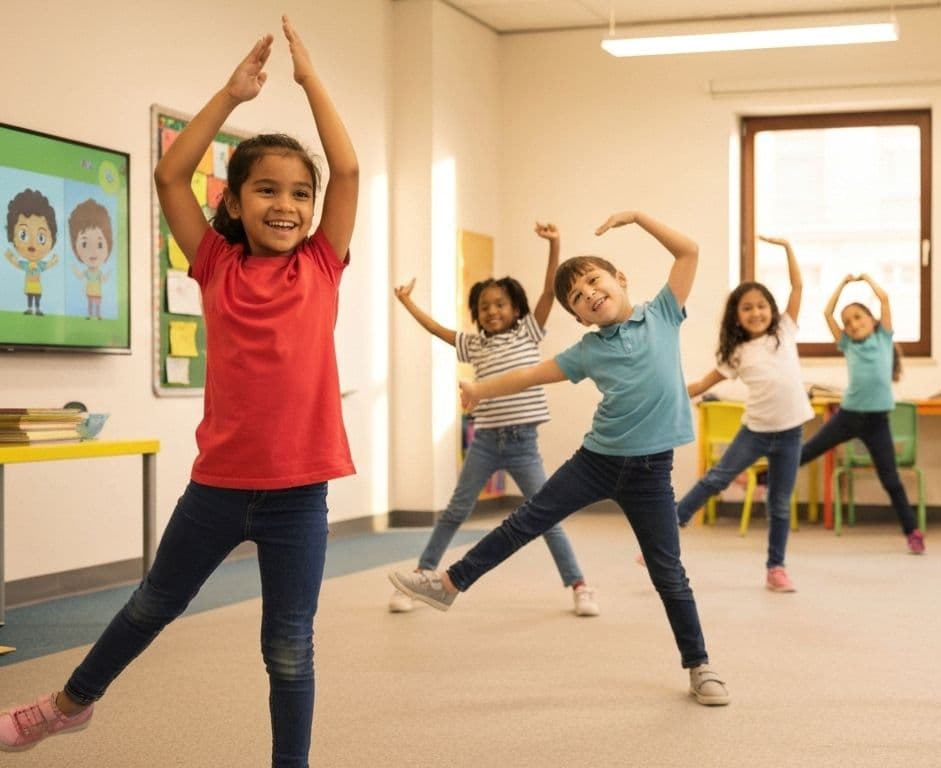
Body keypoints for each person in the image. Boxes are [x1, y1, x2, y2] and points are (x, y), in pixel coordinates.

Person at [0, 18, 357, 766]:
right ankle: (63, 709)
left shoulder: (321, 265)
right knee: (152, 605)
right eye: (266, 190)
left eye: (299, 193)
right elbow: (169, 177)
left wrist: (311, 82)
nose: (285, 205)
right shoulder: (216, 265)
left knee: (289, 647)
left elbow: (348, 172)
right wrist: (230, 96)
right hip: (219, 486)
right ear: (233, 203)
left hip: (299, 495)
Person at [389, 210, 730, 706]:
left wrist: (637, 218)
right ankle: (447, 583)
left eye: (594, 280)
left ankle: (700, 666)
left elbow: (689, 251)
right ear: (579, 318)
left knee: (668, 573)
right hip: (596, 460)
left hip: (651, 471)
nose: (589, 293)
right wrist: (479, 390)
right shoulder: (587, 351)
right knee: (526, 521)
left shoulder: (662, 312)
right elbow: (529, 375)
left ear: (620, 280)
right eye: (577, 297)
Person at [387, 222, 598, 617]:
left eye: (500, 304)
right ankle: (422, 577)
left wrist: (556, 243)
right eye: (484, 307)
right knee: (454, 510)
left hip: (523, 445)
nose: (492, 311)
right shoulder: (473, 343)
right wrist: (407, 303)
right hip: (485, 442)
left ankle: (580, 585)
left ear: (515, 309)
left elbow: (549, 289)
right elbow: (437, 329)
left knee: (546, 514)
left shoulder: (528, 333)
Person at [676, 235, 813, 592]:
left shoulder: (785, 330)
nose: (756, 313)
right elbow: (705, 383)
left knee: (780, 504)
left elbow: (798, 286)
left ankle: (776, 569)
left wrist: (786, 248)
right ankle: (672, 525)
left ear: (772, 309)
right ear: (737, 317)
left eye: (761, 306)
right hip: (755, 431)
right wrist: (671, 393)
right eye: (747, 308)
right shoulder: (736, 352)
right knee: (716, 479)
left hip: (790, 432)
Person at [796, 272, 924, 554]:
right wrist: (841, 284)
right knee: (808, 451)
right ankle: (766, 477)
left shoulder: (883, 338)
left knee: (890, 479)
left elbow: (885, 299)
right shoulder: (848, 344)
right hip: (848, 416)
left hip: (877, 422)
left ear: (873, 320)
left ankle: (913, 532)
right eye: (848, 322)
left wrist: (866, 280)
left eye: (858, 317)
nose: (853, 324)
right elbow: (827, 312)